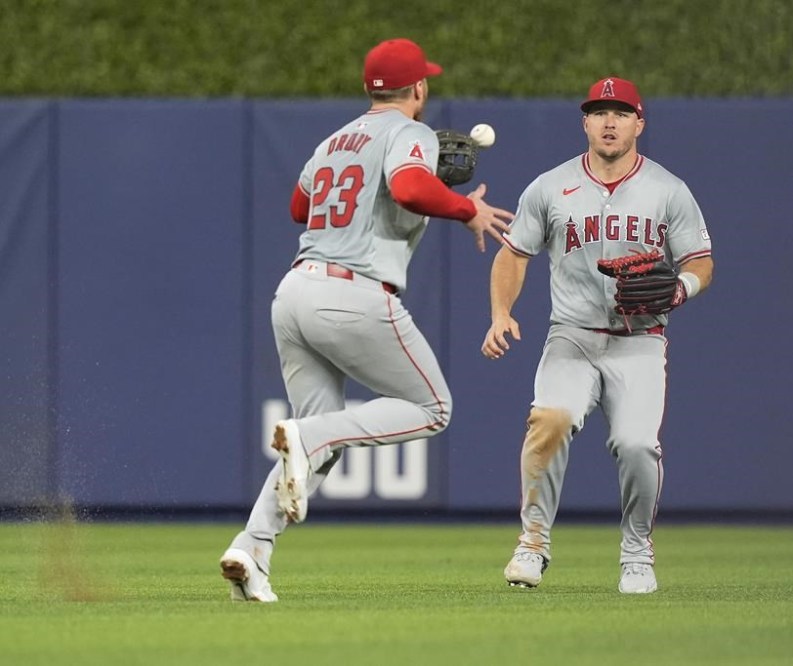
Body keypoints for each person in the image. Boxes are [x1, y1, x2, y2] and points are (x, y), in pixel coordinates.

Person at [219, 37, 514, 602]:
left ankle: (252, 548)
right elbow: (406, 184)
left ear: (368, 88)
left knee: (319, 444)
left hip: (295, 292)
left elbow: (299, 208)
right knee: (433, 408)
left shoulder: (332, 140)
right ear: (420, 88)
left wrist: (400, 188)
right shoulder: (412, 133)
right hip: (351, 294)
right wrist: (465, 207)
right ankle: (305, 438)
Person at [481, 77, 714, 594]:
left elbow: (701, 260)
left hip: (640, 339)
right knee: (550, 420)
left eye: (621, 112)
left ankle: (636, 553)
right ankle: (533, 544)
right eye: (599, 112)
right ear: (585, 122)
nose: (610, 121)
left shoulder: (668, 189)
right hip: (572, 336)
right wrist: (501, 313)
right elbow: (513, 254)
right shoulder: (549, 186)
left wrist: (680, 289)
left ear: (639, 124)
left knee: (636, 445)